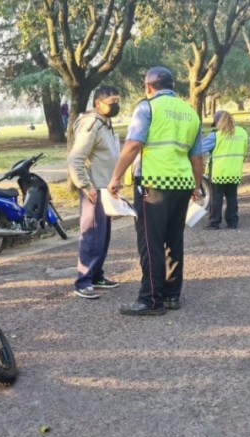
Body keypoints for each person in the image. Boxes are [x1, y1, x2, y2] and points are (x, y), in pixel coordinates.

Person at [107, 66, 203, 316]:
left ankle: (151, 299)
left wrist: (116, 177)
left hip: (154, 184)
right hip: (182, 184)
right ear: (172, 87)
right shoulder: (190, 113)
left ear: (148, 87)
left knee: (151, 243)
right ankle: (172, 295)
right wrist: (195, 184)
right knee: (174, 240)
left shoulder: (147, 107)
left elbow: (133, 144)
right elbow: (197, 156)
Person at [67, 86, 123, 300]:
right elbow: (76, 158)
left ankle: (97, 275)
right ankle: (83, 281)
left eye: (117, 100)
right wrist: (85, 184)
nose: (115, 104)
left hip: (106, 187)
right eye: (111, 101)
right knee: (91, 235)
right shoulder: (90, 124)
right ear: (98, 103)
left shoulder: (105, 123)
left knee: (103, 235)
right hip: (94, 188)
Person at [201, 111, 248, 229]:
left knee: (216, 197)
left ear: (218, 122)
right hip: (235, 171)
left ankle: (214, 222)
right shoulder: (242, 132)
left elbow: (201, 148)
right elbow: (245, 151)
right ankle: (232, 222)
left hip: (218, 172)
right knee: (232, 197)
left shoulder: (216, 135)